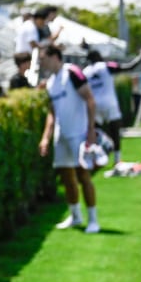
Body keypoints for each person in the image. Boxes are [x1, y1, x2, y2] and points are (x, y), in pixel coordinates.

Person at [37, 45, 101, 233]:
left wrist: (90, 130)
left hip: (78, 133)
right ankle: (75, 216)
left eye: (43, 58)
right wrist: (45, 138)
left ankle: (93, 219)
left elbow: (90, 99)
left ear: (54, 56)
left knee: (83, 175)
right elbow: (52, 112)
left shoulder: (72, 72)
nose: (42, 62)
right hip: (61, 135)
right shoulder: (50, 82)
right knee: (66, 176)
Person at [83, 46, 141, 164]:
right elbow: (129, 67)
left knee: (95, 132)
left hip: (93, 106)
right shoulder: (105, 66)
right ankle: (117, 160)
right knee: (115, 131)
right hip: (109, 103)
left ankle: (96, 158)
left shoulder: (85, 71)